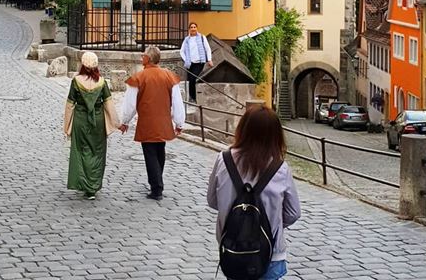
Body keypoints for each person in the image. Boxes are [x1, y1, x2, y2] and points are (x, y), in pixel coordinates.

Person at [207, 107, 301, 280]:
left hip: (233, 248)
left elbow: (212, 201)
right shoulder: (280, 169)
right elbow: (294, 213)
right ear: (275, 135)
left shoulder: (223, 159)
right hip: (270, 252)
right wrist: (271, 223)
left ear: (243, 129)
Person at [119, 46, 185, 200]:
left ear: (148, 59)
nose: (142, 58)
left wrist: (125, 121)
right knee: (160, 151)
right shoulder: (169, 76)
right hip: (163, 121)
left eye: (143, 56)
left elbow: (130, 104)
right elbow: (177, 101)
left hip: (147, 122)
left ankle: (156, 188)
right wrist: (179, 122)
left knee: (150, 154)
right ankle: (157, 183)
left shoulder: (139, 77)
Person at [64, 52, 120, 199]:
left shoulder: (76, 81)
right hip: (98, 120)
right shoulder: (102, 82)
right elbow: (109, 104)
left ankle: (84, 182)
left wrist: (67, 126)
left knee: (81, 151)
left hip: (81, 120)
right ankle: (93, 186)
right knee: (97, 151)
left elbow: (70, 104)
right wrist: (116, 123)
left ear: (83, 64)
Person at [180, 22, 213, 103]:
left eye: (194, 27)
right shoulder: (187, 40)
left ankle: (193, 98)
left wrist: (209, 59)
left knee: (193, 78)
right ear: (189, 29)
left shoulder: (202, 37)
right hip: (190, 63)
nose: (193, 29)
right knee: (190, 80)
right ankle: (191, 97)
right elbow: (182, 51)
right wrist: (186, 59)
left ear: (197, 28)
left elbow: (207, 49)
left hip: (199, 62)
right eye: (191, 27)